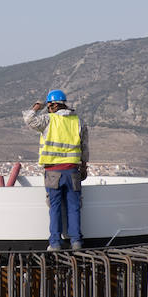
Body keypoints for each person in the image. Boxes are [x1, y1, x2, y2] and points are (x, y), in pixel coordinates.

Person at [24, 90, 89, 251]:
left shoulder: (48, 120)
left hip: (53, 172)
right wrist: (84, 166)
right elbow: (84, 147)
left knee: (55, 207)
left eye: (48, 105)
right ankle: (76, 242)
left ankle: (55, 243)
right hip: (72, 170)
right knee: (74, 207)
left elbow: (29, 120)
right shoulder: (77, 121)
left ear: (52, 105)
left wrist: (36, 108)